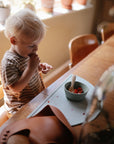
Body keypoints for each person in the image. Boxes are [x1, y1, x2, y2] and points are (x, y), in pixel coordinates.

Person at [0, 8, 53, 126]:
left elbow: (27, 71)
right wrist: (30, 68)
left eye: (37, 44)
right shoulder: (8, 63)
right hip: (19, 108)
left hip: (35, 98)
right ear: (14, 40)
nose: (36, 49)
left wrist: (39, 68)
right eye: (32, 45)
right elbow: (15, 88)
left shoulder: (25, 52)